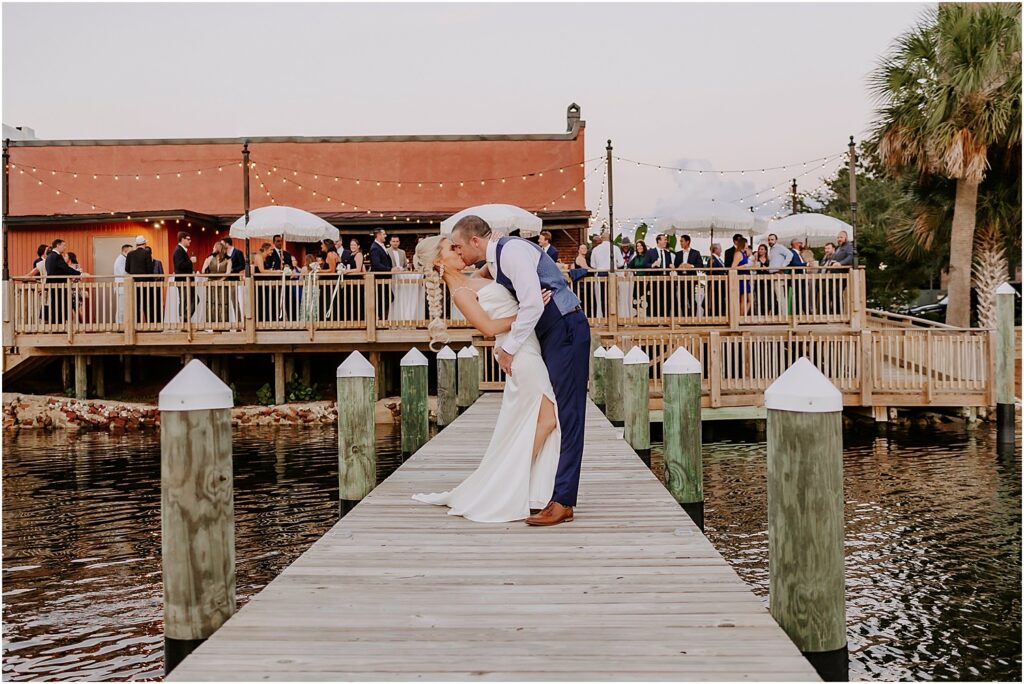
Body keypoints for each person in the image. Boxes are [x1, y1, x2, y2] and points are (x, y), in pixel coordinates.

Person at [419, 215, 589, 527]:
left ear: (473, 241)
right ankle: (526, 487)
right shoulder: (462, 291)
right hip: (522, 351)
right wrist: (515, 330)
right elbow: (488, 326)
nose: (457, 252)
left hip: (533, 343)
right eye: (450, 249)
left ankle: (544, 492)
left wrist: (513, 333)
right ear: (440, 263)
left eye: (458, 245)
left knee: (554, 417)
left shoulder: (489, 267)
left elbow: (495, 266)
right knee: (551, 418)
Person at [44, 239, 81, 325]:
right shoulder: (57, 256)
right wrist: (79, 273)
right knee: (60, 305)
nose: (65, 247)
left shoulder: (49, 257)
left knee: (55, 304)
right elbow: (65, 268)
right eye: (63, 245)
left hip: (53, 284)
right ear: (58, 245)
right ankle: (59, 325)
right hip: (59, 285)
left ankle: (56, 324)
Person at [125, 235, 155, 324]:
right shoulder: (146, 253)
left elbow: (127, 269)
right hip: (146, 284)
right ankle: (150, 324)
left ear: (136, 245)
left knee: (136, 305)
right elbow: (150, 269)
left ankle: (136, 324)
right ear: (144, 244)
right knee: (147, 305)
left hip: (134, 284)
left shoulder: (130, 254)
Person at [673, 234, 703, 317]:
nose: (680, 243)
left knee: (691, 298)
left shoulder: (696, 253)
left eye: (682, 241)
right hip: (681, 279)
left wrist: (691, 266)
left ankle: (693, 317)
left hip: (691, 279)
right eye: (680, 241)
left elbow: (700, 265)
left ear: (687, 241)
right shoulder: (678, 254)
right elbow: (675, 266)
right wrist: (679, 267)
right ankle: (684, 317)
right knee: (682, 298)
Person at [204, 241, 233, 325]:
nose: (212, 249)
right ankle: (213, 324)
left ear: (217, 248)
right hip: (212, 283)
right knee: (211, 302)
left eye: (213, 247)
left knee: (223, 303)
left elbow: (228, 273)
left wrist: (220, 280)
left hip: (222, 283)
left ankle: (222, 323)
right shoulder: (210, 258)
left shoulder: (228, 259)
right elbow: (203, 270)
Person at [767, 233, 794, 315]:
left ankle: (784, 315)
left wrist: (783, 266)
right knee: (778, 296)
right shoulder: (771, 249)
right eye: (769, 240)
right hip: (773, 275)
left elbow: (790, 254)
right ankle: (782, 314)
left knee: (780, 296)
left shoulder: (779, 247)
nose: (770, 241)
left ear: (776, 240)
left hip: (778, 274)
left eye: (772, 239)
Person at [172, 231, 195, 325]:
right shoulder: (178, 250)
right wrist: (190, 261)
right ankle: (183, 319)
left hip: (187, 280)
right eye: (188, 239)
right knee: (185, 300)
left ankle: (185, 318)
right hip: (183, 280)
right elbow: (179, 265)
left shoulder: (181, 250)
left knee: (192, 299)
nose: (190, 241)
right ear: (182, 239)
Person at [731, 236, 752, 315]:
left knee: (748, 300)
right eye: (746, 243)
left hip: (745, 278)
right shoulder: (738, 254)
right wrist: (744, 266)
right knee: (744, 299)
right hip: (741, 278)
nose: (747, 244)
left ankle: (743, 315)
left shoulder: (744, 253)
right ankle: (742, 316)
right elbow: (733, 267)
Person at [113, 243, 131, 324]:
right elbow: (123, 273)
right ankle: (120, 325)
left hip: (123, 287)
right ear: (125, 251)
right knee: (121, 308)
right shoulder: (120, 260)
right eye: (130, 251)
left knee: (123, 308)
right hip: (121, 288)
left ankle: (121, 324)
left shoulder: (124, 259)